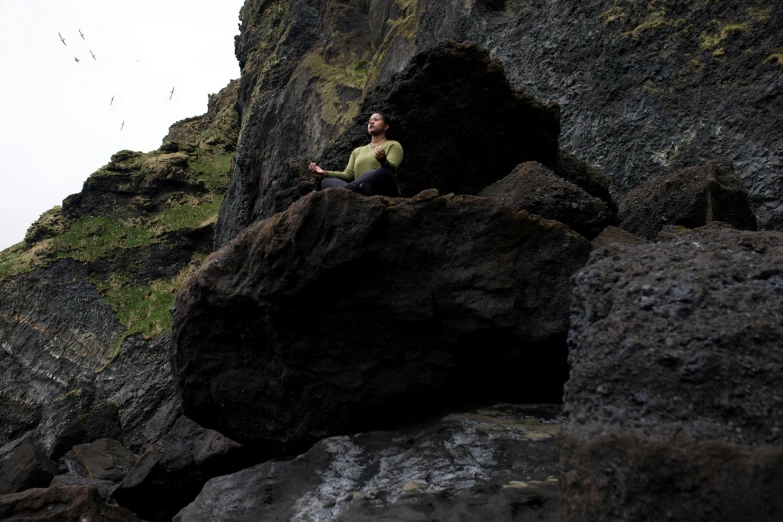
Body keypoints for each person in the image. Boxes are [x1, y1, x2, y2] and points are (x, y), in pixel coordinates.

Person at [309, 112, 403, 197]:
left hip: (385, 189)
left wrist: (384, 161)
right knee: (326, 181)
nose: (371, 122)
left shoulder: (393, 145)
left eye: (376, 120)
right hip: (363, 188)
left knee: (383, 171)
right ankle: (359, 191)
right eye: (370, 121)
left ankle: (351, 191)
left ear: (386, 126)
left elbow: (392, 167)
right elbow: (348, 174)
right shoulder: (357, 151)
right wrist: (325, 173)